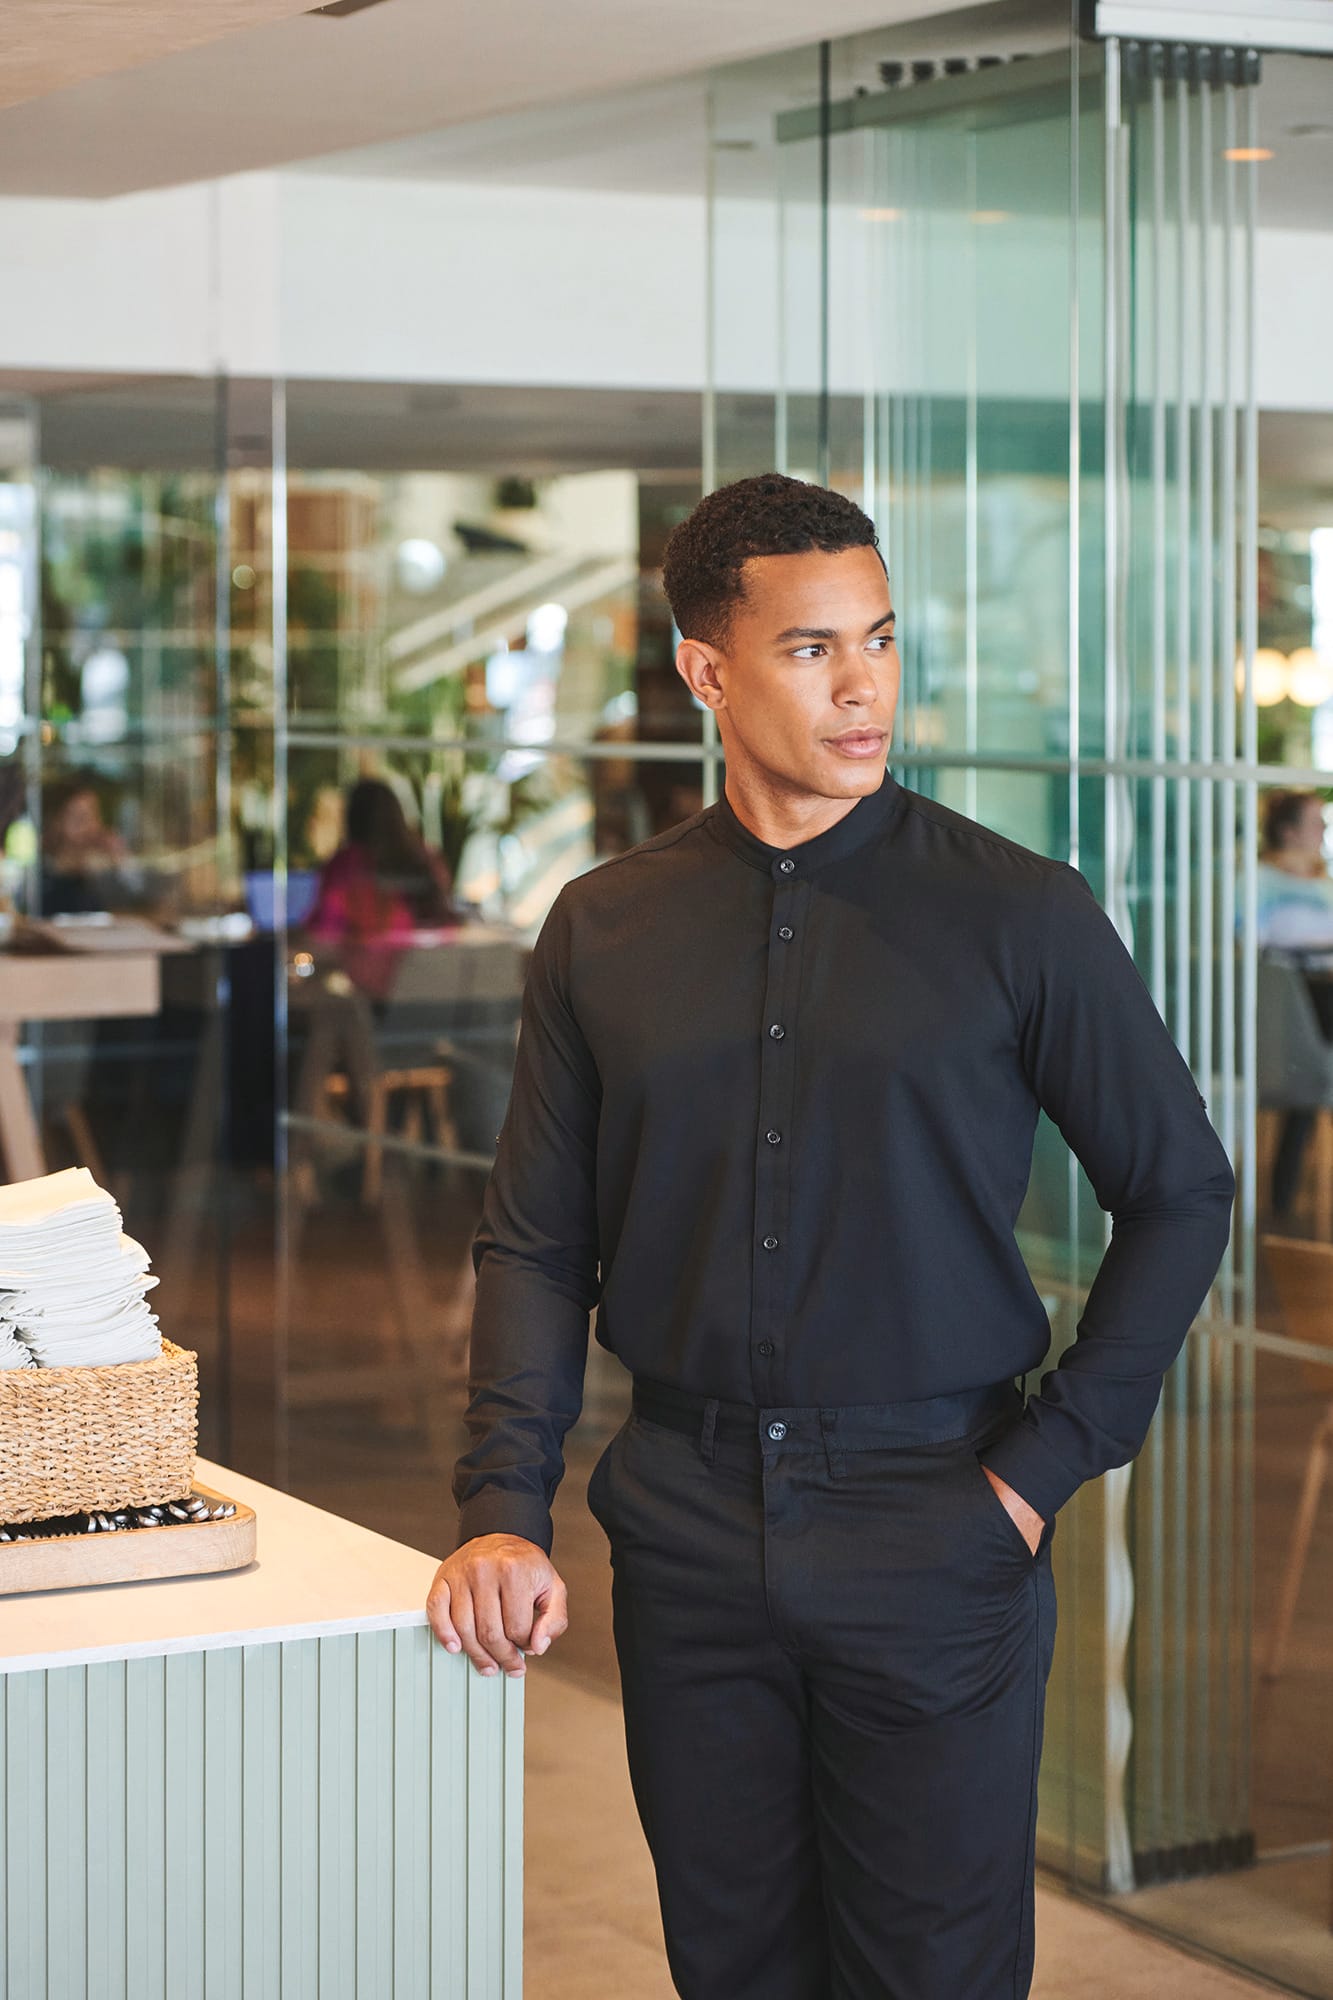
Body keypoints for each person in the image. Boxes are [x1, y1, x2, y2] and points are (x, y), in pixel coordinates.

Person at [427, 475, 1234, 2000]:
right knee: (732, 1969)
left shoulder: (1021, 916)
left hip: (936, 1519)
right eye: (809, 650)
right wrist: (503, 1504)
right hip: (683, 1524)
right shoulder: (603, 929)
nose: (864, 687)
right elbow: (534, 1240)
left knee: (929, 1974)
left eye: (877, 639)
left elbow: (1182, 1186)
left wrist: (1039, 1471)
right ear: (705, 670)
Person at [305, 776, 458, 1001]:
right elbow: (446, 926)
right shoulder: (426, 859)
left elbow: (324, 935)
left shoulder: (346, 866)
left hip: (366, 995)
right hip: (428, 996)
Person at [38, 774, 138, 917]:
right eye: (80, 819)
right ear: (53, 824)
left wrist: (121, 865)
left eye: (96, 817)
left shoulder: (97, 876)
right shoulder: (37, 882)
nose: (93, 828)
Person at [1256, 788, 1333, 950]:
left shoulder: (1324, 883)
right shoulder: (1260, 882)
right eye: (1315, 823)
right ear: (1288, 832)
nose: (1323, 830)